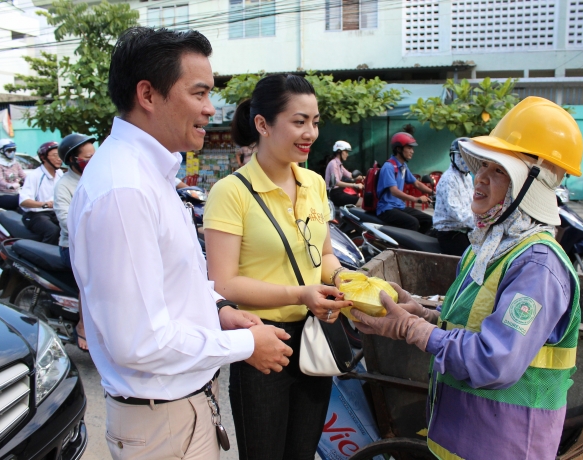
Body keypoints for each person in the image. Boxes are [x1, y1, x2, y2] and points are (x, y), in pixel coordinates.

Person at [67, 27, 293, 459]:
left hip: (178, 413)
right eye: (199, 93)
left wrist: (222, 313)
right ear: (148, 95)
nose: (211, 109)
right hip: (160, 426)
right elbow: (138, 342)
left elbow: (174, 285)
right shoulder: (125, 188)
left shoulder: (152, 174)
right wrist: (246, 346)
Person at [352, 97, 583, 460]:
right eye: (483, 166)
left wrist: (412, 330)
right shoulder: (485, 247)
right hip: (461, 439)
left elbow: (496, 360)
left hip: (504, 446)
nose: (481, 177)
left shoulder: (538, 266)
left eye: (500, 170)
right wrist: (423, 313)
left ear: (532, 184)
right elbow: (471, 325)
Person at [204, 74, 353, 460]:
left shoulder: (315, 183)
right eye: (299, 121)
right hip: (261, 344)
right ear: (263, 124)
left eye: (315, 122)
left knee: (303, 453)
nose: (310, 133)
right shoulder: (230, 192)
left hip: (313, 336)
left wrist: (344, 280)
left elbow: (323, 256)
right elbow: (224, 282)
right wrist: (299, 293)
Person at [54, 133, 95, 351]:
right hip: (72, 246)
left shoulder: (96, 177)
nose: (91, 161)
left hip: (97, 243)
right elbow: (65, 220)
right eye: (86, 158)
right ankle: (82, 326)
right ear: (72, 160)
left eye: (93, 156)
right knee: (89, 279)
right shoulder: (64, 185)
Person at [376, 131, 433, 233]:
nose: (412, 151)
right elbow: (394, 191)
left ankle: (420, 245)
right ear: (399, 149)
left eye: (412, 148)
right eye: (409, 148)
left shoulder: (403, 166)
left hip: (399, 206)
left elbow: (416, 183)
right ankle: (407, 247)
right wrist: (417, 199)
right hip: (387, 208)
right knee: (413, 223)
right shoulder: (389, 166)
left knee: (428, 220)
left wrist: (434, 193)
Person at [430, 137, 475, 256]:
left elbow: (472, 203)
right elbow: (456, 213)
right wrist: (478, 222)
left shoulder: (468, 177)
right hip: (450, 232)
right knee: (470, 259)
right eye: (461, 156)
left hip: (466, 229)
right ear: (453, 157)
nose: (465, 160)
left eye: (468, 157)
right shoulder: (449, 179)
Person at [19, 141, 63, 245]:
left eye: (60, 155)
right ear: (43, 157)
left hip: (55, 212)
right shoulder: (34, 175)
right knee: (53, 231)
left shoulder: (60, 173)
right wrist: (45, 204)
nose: (59, 159)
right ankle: (45, 256)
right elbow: (24, 201)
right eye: (55, 155)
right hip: (35, 215)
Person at [325, 140, 363, 207]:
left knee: (358, 198)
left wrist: (364, 177)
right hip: (335, 194)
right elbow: (336, 182)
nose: (347, 154)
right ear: (339, 151)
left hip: (339, 192)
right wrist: (355, 185)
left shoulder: (339, 164)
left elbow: (350, 175)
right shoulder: (333, 164)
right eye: (346, 152)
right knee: (361, 201)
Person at [0, 138, 26, 210]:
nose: (12, 152)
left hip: (16, 193)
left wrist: (31, 180)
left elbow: (22, 175)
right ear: (2, 151)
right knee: (24, 201)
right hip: (3, 195)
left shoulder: (15, 162)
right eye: (9, 150)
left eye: (14, 150)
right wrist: (9, 185)